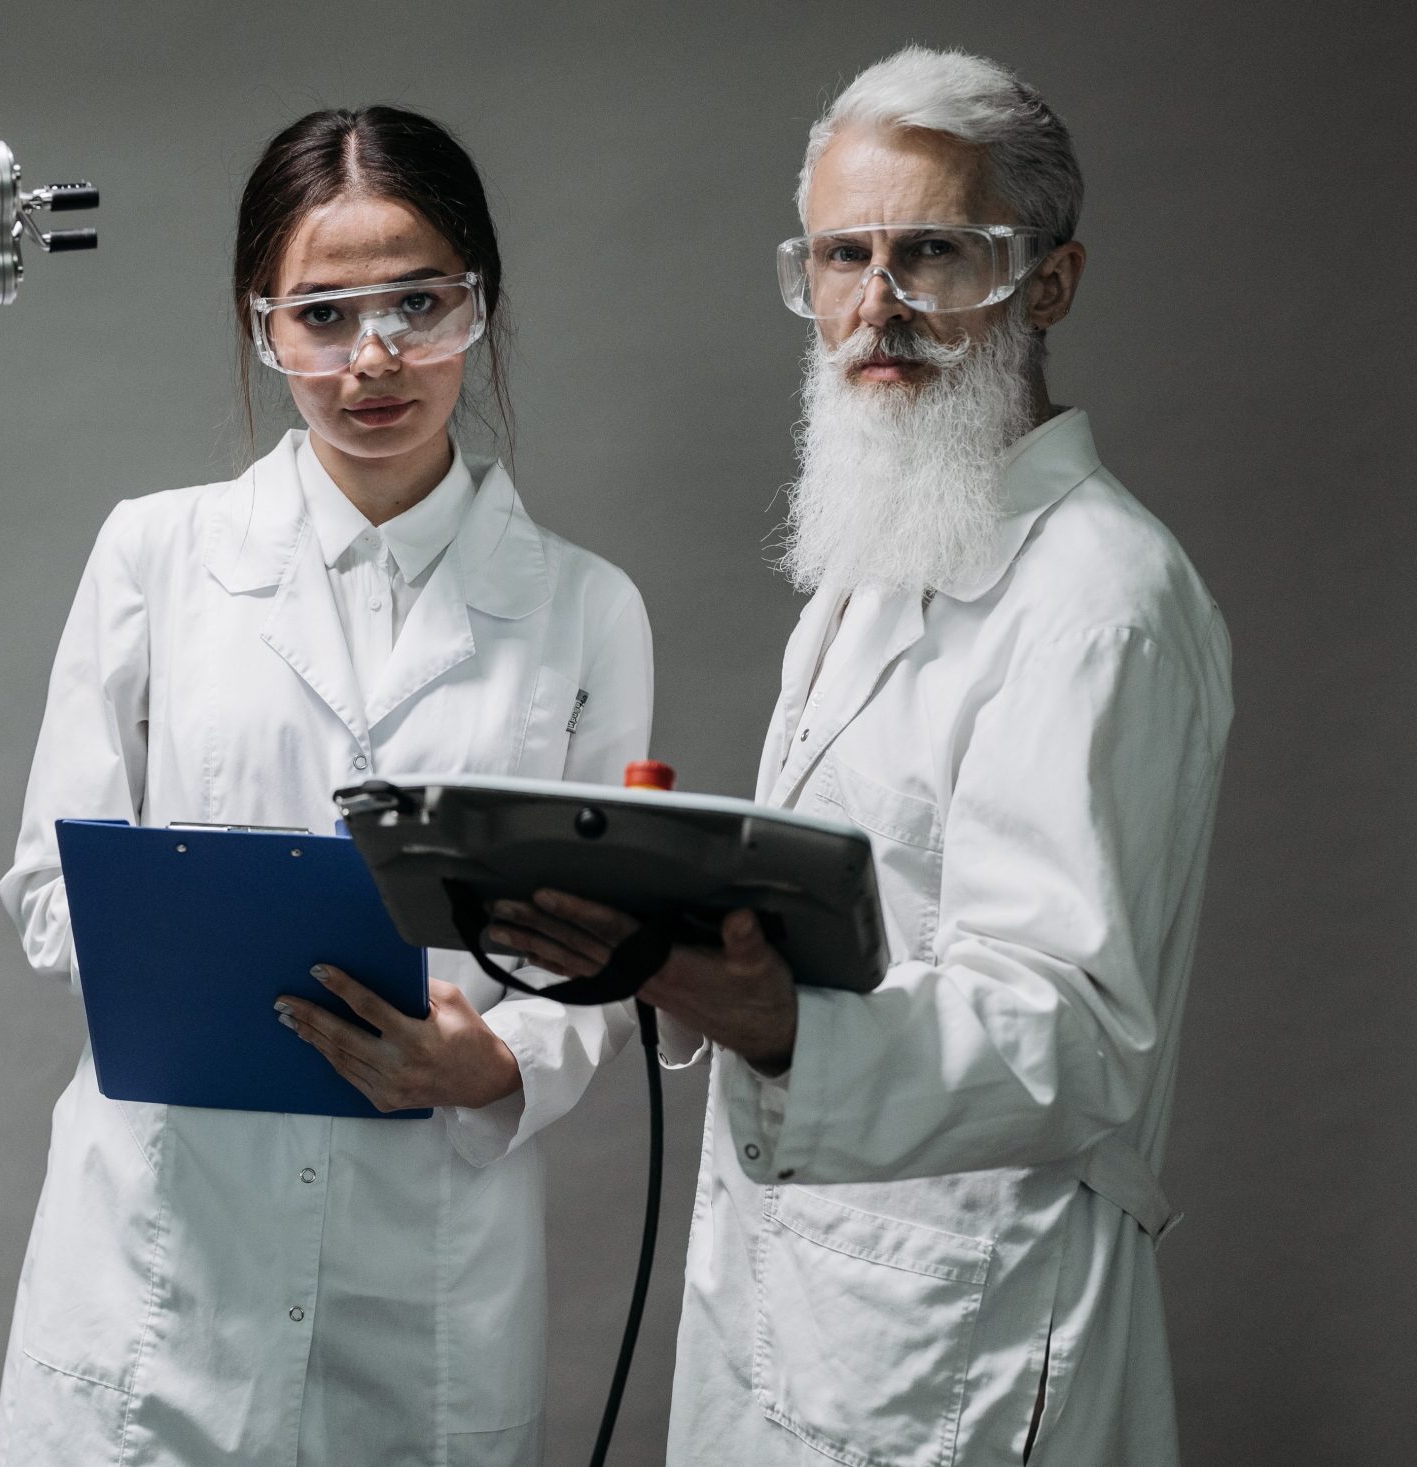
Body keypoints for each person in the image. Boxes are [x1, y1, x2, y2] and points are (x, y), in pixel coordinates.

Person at [490, 47, 1231, 1464]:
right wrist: (676, 938)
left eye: (934, 253)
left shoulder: (1100, 604)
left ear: (1050, 284)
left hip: (966, 1329)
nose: (873, 307)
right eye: (841, 256)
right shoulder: (884, 556)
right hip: (808, 1296)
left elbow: (1076, 1036)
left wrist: (770, 1022)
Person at [0, 107, 654, 1466]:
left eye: (420, 302)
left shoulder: (588, 612)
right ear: (262, 327)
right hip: (169, 1250)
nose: (376, 358)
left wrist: (497, 1061)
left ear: (480, 306)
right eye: (325, 313)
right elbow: (52, 881)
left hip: (428, 1263)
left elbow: (602, 956)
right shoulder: (156, 557)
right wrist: (198, 958)